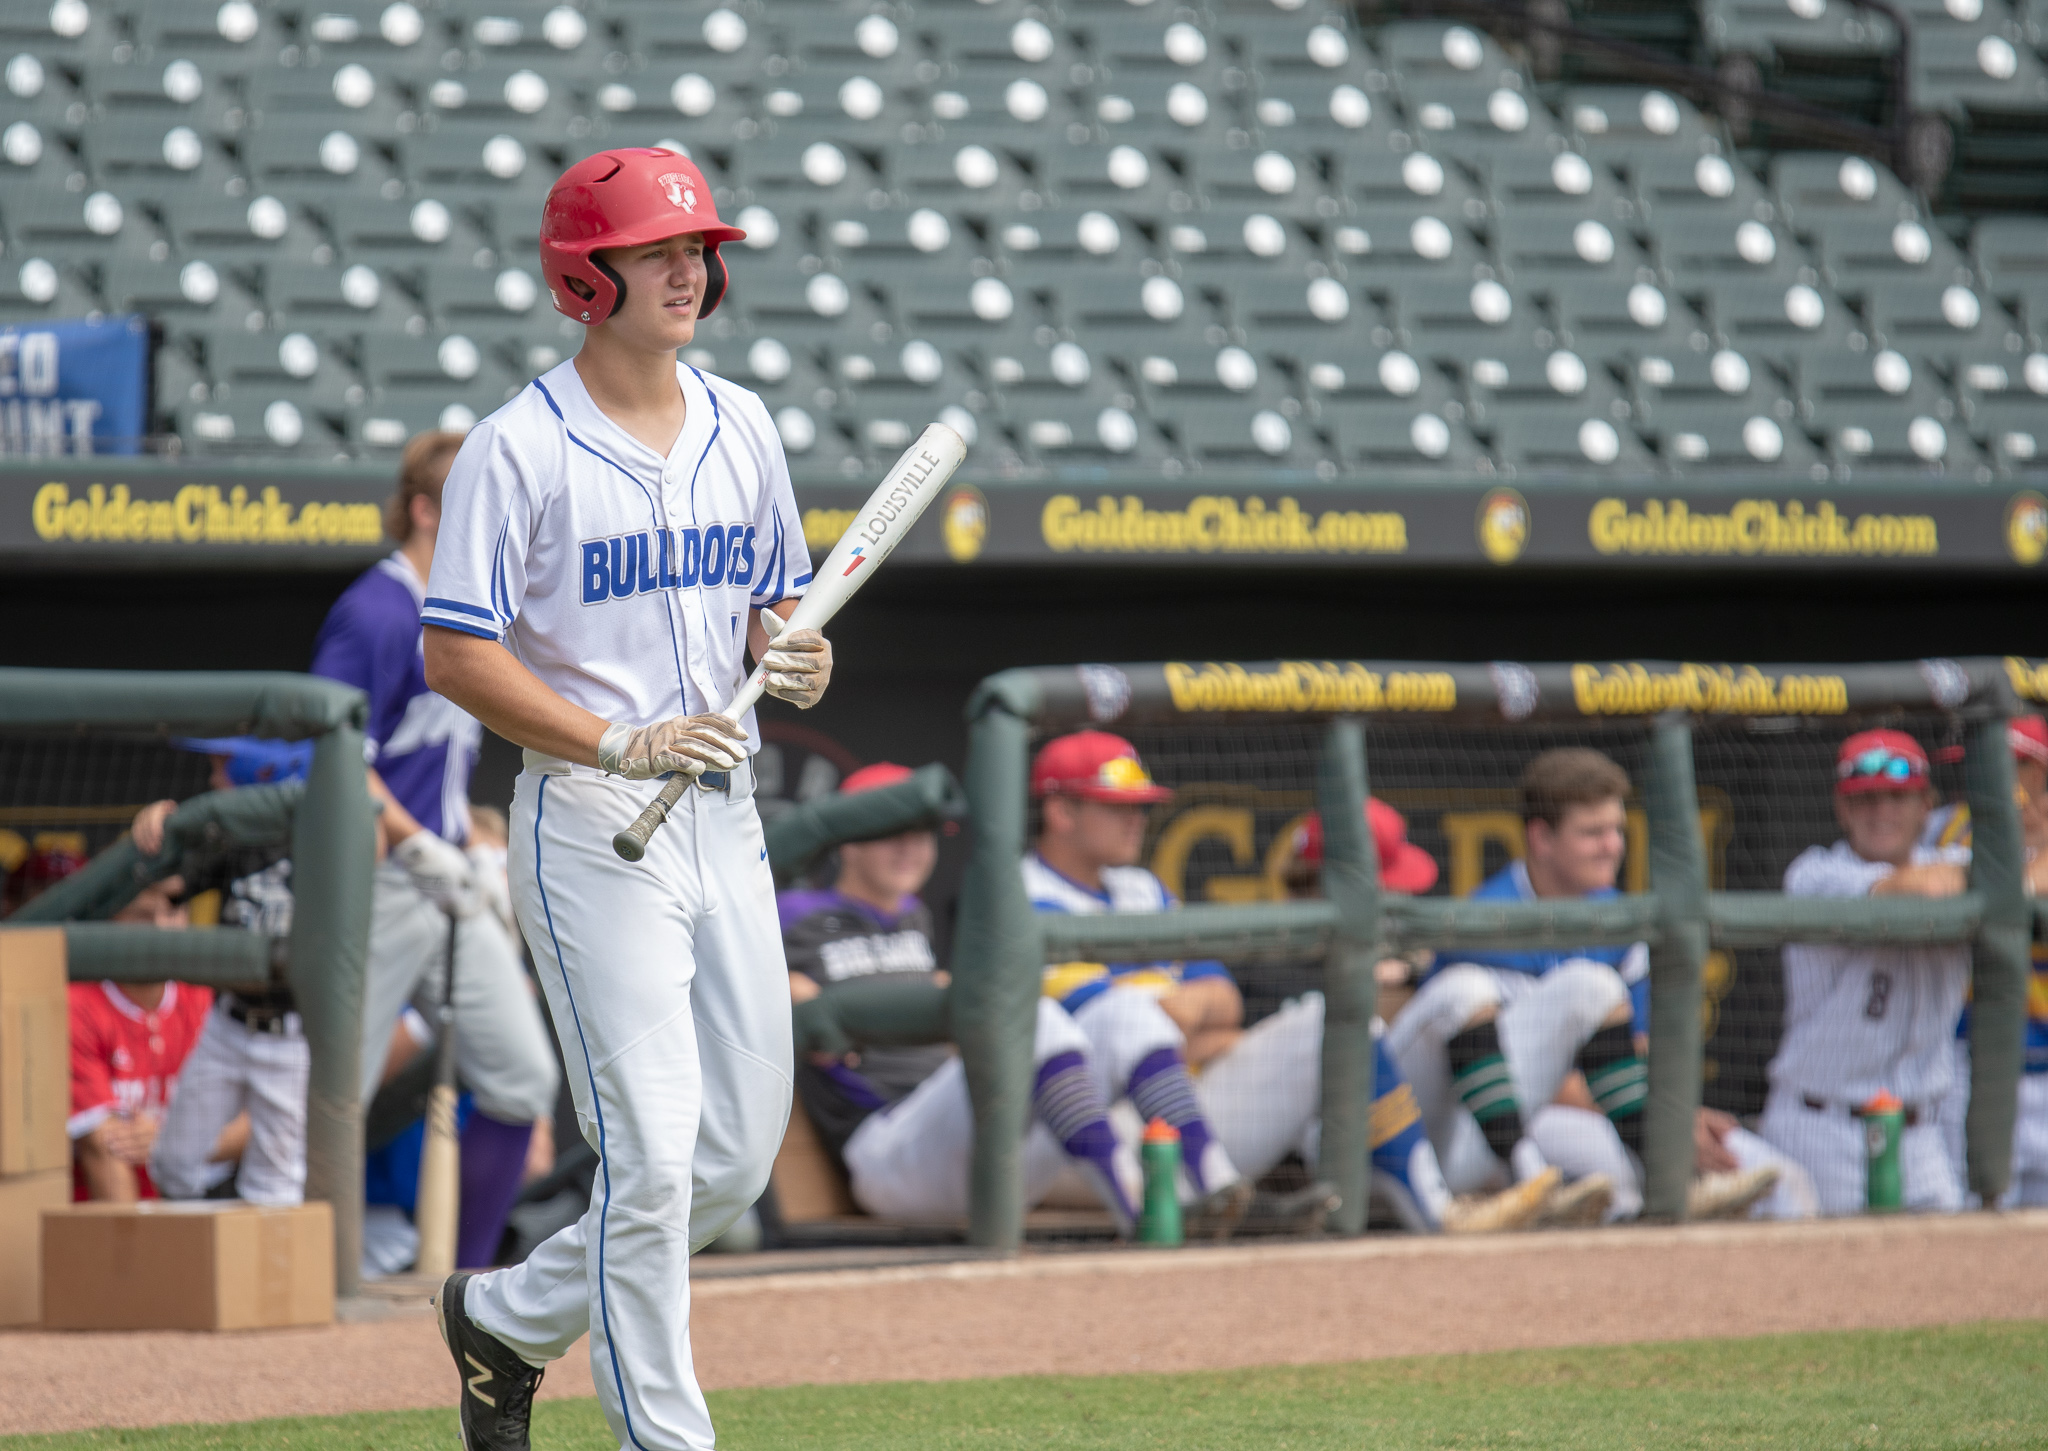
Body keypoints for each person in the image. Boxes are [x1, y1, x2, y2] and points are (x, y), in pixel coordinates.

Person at [419, 148, 820, 1451]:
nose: (689, 271)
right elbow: (455, 651)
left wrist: (796, 650)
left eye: (699, 248)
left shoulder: (742, 421)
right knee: (649, 1156)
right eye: (658, 251)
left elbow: (776, 608)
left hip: (724, 814)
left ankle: (507, 1317)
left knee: (729, 1160)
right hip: (593, 821)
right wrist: (613, 736)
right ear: (585, 277)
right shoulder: (517, 445)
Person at [310, 429, 561, 1272]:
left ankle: (466, 1279)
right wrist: (419, 843)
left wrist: (468, 849)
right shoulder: (375, 609)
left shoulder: (474, 612)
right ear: (423, 509)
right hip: (379, 880)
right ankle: (315, 1283)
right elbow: (334, 753)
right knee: (337, 1091)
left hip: (450, 881)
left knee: (523, 1075)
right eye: (464, 497)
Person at [783, 763, 1141, 1230]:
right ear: (847, 841)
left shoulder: (913, 917)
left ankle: (1190, 1188)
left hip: (957, 1133)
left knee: (1120, 1016)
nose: (911, 849)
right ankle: (1134, 1212)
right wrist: (784, 989)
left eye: (922, 835)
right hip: (887, 1145)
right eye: (892, 834)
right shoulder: (795, 912)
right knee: (1030, 1016)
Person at [1384, 749, 1649, 1198]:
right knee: (1610, 1170)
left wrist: (1677, 1122)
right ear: (1541, 838)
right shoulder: (1485, 922)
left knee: (1756, 1167)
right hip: (1457, 1124)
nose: (1613, 846)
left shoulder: (1620, 920)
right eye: (1593, 832)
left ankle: (1661, 1171)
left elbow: (1639, 1049)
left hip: (1557, 1110)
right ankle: (1532, 1178)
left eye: (1617, 830)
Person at [1758, 729, 1971, 1215]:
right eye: (1866, 799)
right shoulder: (1816, 874)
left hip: (1921, 1133)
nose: (1881, 812)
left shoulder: (1952, 863)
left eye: (1897, 798)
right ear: (1842, 809)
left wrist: (1993, 872)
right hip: (1822, 1125)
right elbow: (1919, 889)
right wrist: (1983, 875)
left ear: (1926, 805)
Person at [140, 738, 315, 1205]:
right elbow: (169, 887)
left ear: (262, 771)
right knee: (172, 1164)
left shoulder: (324, 839)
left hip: (293, 1035)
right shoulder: (235, 839)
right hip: (227, 1025)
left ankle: (253, 1255)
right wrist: (161, 826)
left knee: (276, 1187)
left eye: (223, 767)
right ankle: (197, 1246)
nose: (213, 779)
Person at [1925, 715, 2048, 1206]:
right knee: (1979, 1220)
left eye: (2007, 764)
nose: (1985, 777)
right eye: (1973, 764)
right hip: (1971, 1062)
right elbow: (1930, 882)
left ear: (2038, 769)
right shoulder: (1946, 826)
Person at [68, 960, 212, 1201]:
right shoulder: (78, 1003)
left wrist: (170, 1138)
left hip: (200, 1188)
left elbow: (250, 1122)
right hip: (106, 1204)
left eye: (171, 918)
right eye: (142, 919)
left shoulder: (202, 995)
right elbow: (104, 1146)